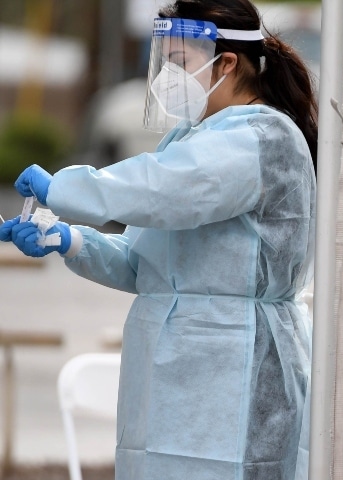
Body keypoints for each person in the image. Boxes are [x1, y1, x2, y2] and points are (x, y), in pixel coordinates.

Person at [0, 1, 317, 479]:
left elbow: (161, 189)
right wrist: (68, 240)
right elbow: (142, 263)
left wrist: (64, 188)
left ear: (226, 62)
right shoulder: (191, 139)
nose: (166, 76)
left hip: (235, 367)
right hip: (170, 372)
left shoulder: (262, 138)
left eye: (179, 62)